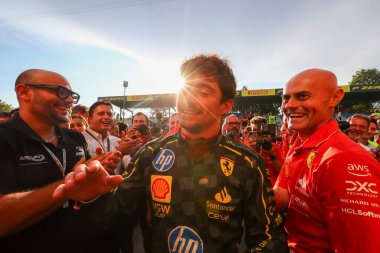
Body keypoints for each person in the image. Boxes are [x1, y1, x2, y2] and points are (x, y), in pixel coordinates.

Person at [53, 54, 287, 253]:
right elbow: (116, 215)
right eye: (185, 90)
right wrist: (92, 196)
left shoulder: (248, 162)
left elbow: (269, 237)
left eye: (203, 92)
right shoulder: (151, 153)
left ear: (226, 105)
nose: (189, 100)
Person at [0, 69, 122, 253]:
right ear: (25, 92)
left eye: (72, 95)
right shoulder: (4, 138)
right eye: (61, 91)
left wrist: (97, 174)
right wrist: (68, 187)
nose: (70, 100)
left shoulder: (75, 138)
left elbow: (86, 196)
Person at [274, 69, 380, 252]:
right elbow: (282, 194)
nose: (289, 105)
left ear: (335, 97)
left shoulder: (345, 160)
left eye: (302, 96)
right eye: (286, 98)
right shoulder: (301, 143)